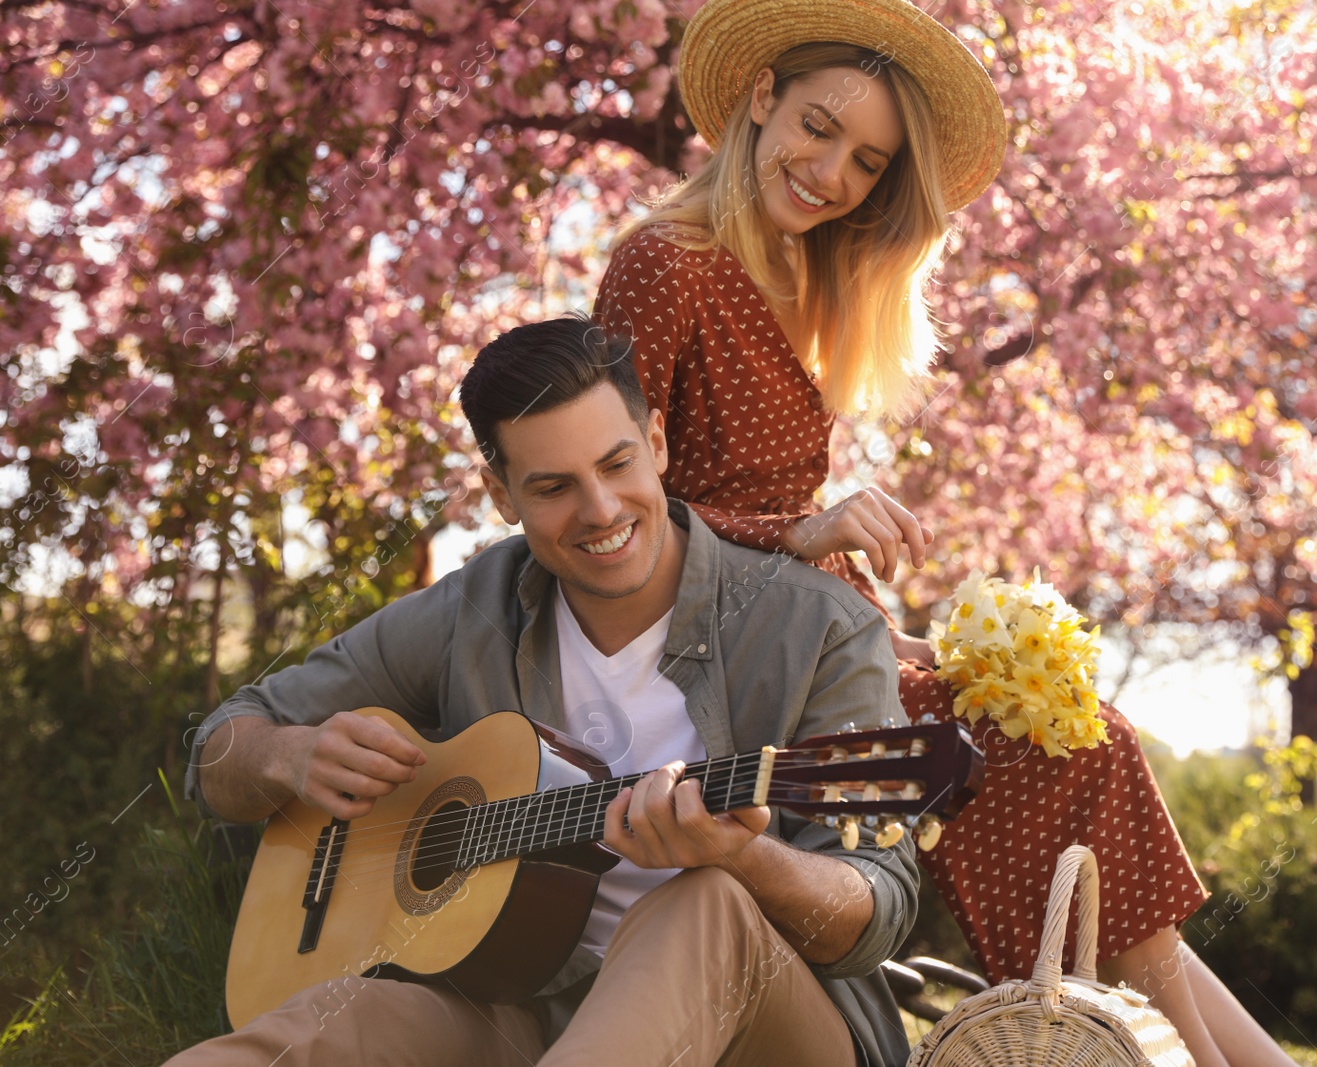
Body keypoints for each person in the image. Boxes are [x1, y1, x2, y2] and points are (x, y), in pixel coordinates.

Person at [594, 1, 1300, 1064]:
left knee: (1079, 731)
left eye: (867, 162)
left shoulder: (803, 276)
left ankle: (1228, 1057)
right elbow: (616, 511)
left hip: (815, 636)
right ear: (759, 98)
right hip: (718, 659)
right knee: (1072, 745)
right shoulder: (666, 263)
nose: (831, 173)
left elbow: (797, 541)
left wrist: (888, 629)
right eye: (818, 128)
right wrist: (800, 535)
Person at [169, 315, 919, 1067]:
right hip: (519, 1012)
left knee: (705, 900)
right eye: (554, 487)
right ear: (501, 494)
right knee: (333, 1025)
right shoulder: (474, 608)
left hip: (764, 1031)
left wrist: (748, 859)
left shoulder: (819, 627)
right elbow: (223, 742)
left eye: (617, 463)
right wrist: (289, 755)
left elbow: (877, 904)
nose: (599, 510)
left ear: (656, 443)